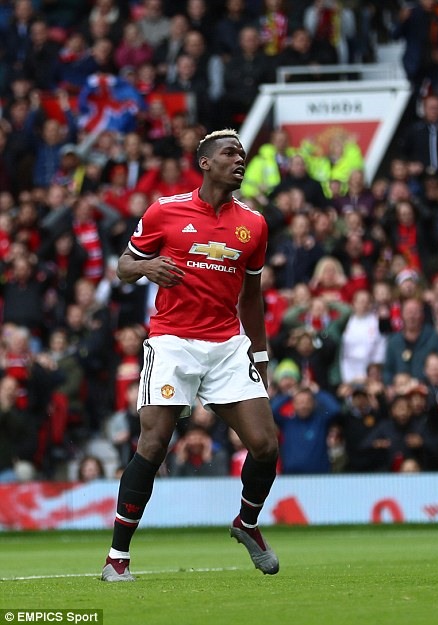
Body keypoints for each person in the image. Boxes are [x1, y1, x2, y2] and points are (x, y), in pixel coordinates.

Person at [101, 129, 280, 582]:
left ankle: (247, 523)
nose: (239, 160)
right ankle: (117, 558)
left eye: (242, 154)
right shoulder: (165, 210)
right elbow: (123, 266)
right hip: (173, 342)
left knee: (265, 445)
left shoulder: (253, 224)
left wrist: (260, 358)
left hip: (227, 345)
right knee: (154, 443)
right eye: (230, 153)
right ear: (205, 163)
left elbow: (252, 299)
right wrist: (145, 267)